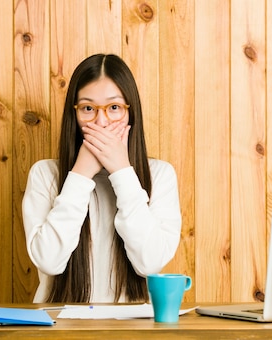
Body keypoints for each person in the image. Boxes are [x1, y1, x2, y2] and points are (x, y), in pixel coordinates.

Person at [22, 54, 182, 303]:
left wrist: (122, 172)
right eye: (88, 108)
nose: (101, 121)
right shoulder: (45, 174)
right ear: (74, 115)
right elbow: (49, 261)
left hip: (133, 330)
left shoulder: (160, 175)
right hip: (59, 330)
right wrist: (81, 173)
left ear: (130, 113)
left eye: (114, 108)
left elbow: (149, 263)